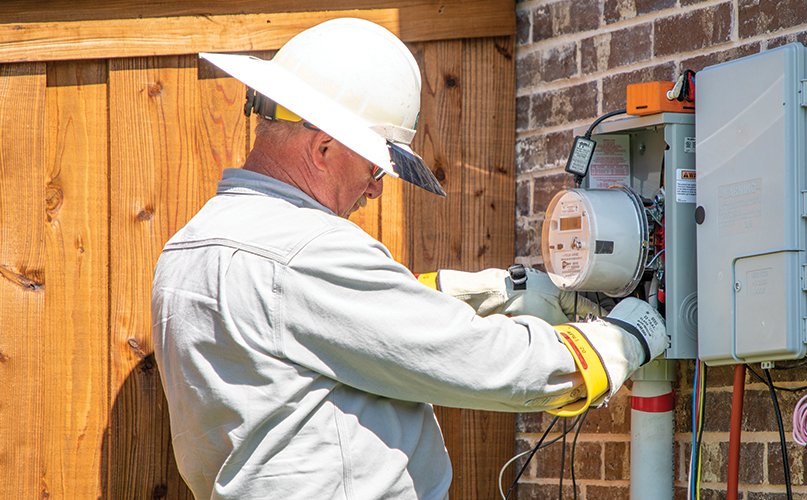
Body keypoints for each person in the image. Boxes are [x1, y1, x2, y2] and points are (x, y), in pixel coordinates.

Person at [151, 18, 667, 500]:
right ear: (325, 148)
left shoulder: (190, 247)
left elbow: (317, 332)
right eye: (377, 164)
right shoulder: (309, 251)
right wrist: (619, 340)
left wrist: (465, 295)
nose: (376, 188)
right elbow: (485, 364)